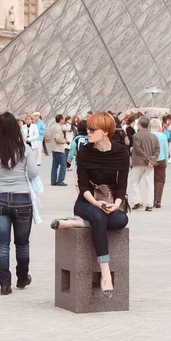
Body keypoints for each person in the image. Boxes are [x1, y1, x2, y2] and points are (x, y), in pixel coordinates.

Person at [51, 112, 129, 298]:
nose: (88, 133)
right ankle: (105, 272)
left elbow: (122, 185)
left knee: (122, 219)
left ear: (105, 131)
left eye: (93, 130)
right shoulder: (85, 151)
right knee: (99, 216)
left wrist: (116, 204)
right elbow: (83, 184)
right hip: (86, 202)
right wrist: (95, 202)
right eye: (88, 130)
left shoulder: (121, 153)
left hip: (110, 203)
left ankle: (77, 223)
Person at [0, 112, 39, 295]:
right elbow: (33, 172)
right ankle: (22, 277)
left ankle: (4, 283)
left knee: (2, 244)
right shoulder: (25, 149)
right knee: (22, 243)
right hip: (22, 197)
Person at [130, 116, 160, 211]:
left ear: (139, 124)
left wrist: (146, 157)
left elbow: (137, 149)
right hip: (150, 163)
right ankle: (149, 204)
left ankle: (137, 201)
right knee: (149, 183)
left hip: (138, 161)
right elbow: (157, 150)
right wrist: (152, 159)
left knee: (134, 182)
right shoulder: (154, 136)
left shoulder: (136, 136)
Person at [149, 118, 169, 208]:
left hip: (150, 160)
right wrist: (166, 161)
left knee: (150, 181)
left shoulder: (148, 135)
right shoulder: (163, 136)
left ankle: (150, 200)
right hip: (161, 160)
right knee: (160, 181)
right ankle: (158, 200)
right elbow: (165, 149)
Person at [48, 114, 68, 186]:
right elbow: (58, 139)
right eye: (63, 119)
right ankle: (60, 180)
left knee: (54, 166)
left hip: (53, 148)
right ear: (61, 120)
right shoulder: (58, 128)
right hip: (59, 149)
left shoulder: (53, 126)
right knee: (63, 165)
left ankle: (53, 181)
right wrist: (65, 141)